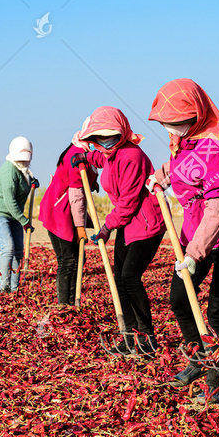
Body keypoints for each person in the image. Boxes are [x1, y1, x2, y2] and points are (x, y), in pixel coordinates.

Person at [147, 78, 219, 403]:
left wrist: (195, 253)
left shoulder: (216, 147)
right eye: (166, 122)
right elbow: (182, 165)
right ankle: (199, 359)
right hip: (198, 228)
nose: (171, 128)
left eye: (177, 121)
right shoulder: (185, 139)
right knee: (180, 298)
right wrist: (161, 177)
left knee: (217, 309)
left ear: (195, 115)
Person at [70, 107, 166, 356]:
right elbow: (104, 159)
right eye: (99, 139)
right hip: (128, 224)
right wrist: (87, 159)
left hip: (146, 223)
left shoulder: (131, 156)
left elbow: (128, 202)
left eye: (109, 137)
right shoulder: (110, 153)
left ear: (121, 133)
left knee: (131, 277)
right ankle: (129, 336)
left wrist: (105, 228)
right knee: (120, 279)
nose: (104, 143)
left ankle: (147, 338)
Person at [38, 142, 99, 308]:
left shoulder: (87, 152)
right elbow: (76, 195)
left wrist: (93, 182)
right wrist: (80, 228)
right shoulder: (77, 155)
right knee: (68, 260)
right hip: (59, 211)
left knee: (78, 258)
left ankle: (72, 301)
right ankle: (64, 305)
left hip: (69, 211)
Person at [0, 137, 39, 293]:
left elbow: (25, 179)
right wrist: (24, 221)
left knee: (18, 251)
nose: (24, 163)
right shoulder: (9, 171)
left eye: (26, 160)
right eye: (21, 160)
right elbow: (9, 201)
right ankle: (4, 287)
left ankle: (15, 288)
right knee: (7, 247)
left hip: (14, 214)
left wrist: (32, 182)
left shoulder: (24, 171)